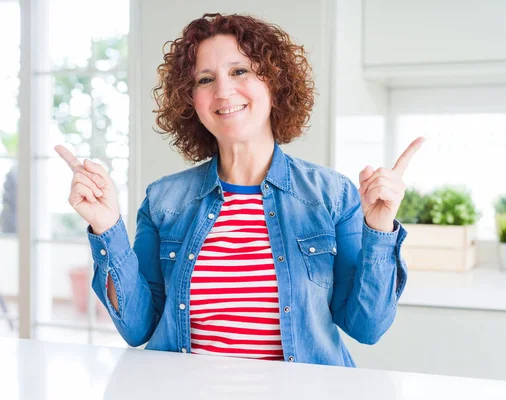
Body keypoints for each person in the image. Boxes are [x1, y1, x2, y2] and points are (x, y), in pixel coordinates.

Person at [55, 12, 424, 367]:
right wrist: (107, 227)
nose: (223, 90)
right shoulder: (164, 201)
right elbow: (137, 328)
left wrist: (380, 230)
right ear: (191, 102)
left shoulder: (331, 195)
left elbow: (367, 327)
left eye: (239, 71)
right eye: (204, 79)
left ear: (274, 85)